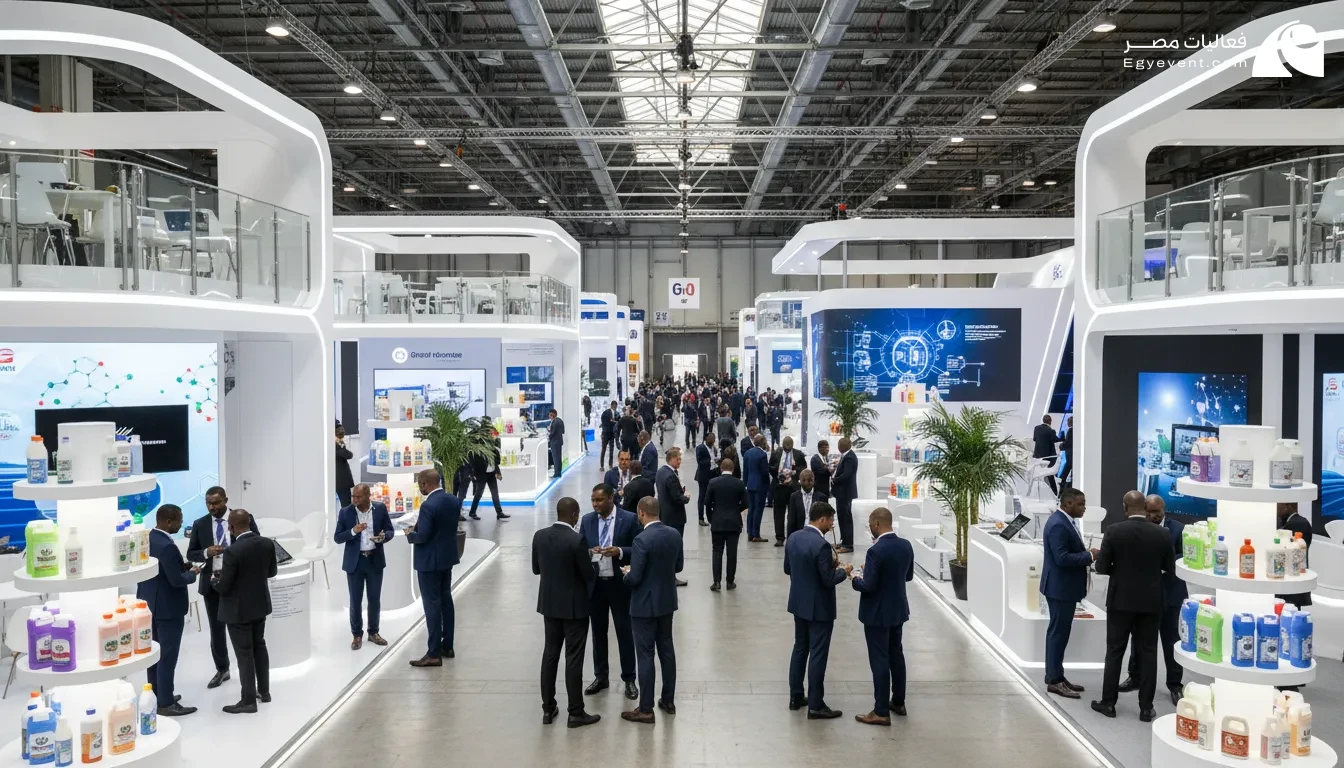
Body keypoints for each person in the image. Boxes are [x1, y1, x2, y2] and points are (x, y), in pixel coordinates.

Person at [1091, 490, 1176, 722]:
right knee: (1148, 652)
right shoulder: (1163, 533)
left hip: (1120, 601)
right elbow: (1169, 567)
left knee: (1115, 651)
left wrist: (1119, 570)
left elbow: (1101, 567)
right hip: (1151, 602)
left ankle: (1108, 703)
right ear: (1145, 508)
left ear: (1124, 507)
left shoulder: (1113, 531)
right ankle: (1146, 708)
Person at [533, 497, 601, 728]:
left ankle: (548, 708)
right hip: (575, 609)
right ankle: (575, 712)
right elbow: (587, 575)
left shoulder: (540, 536)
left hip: (549, 606)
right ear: (574, 515)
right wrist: (594, 564)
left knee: (550, 654)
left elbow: (536, 569)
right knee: (573, 659)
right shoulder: (577, 539)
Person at [186, 486, 258, 690]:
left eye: (216, 503)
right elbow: (191, 553)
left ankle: (249, 676)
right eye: (208, 503)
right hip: (212, 584)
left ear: (226, 500)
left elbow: (254, 544)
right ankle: (222, 669)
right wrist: (206, 553)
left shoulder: (242, 518)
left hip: (239, 584)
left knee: (244, 631)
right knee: (217, 631)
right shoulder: (200, 524)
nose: (212, 507)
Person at [785, 501, 850, 719]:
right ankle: (815, 704)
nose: (832, 525)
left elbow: (788, 568)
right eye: (831, 521)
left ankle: (796, 696)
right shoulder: (822, 546)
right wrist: (844, 572)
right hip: (820, 608)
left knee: (800, 648)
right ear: (822, 519)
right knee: (818, 654)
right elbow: (828, 580)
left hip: (798, 603)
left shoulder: (793, 538)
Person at [1118, 494, 1185, 705]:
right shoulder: (1139, 528)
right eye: (1149, 511)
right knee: (1139, 638)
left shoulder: (1178, 529)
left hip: (1171, 593)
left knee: (1171, 640)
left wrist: (1161, 564)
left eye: (1157, 512)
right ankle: (1135, 677)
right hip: (1143, 594)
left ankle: (1175, 685)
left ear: (1164, 510)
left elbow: (1184, 557)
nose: (1153, 516)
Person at [621, 497, 684, 724]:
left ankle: (646, 709)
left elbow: (635, 578)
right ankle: (668, 700)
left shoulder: (641, 540)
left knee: (645, 655)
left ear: (641, 513)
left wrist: (626, 573)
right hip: (667, 602)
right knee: (666, 650)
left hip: (644, 606)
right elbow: (678, 566)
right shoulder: (674, 535)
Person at [851, 508, 914, 725]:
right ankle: (898, 701)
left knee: (879, 659)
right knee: (896, 655)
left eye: (870, 524)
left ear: (876, 523)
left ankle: (880, 711)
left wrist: (855, 578)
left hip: (877, 614)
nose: (870, 528)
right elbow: (907, 576)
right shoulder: (905, 545)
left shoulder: (875, 551)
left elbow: (868, 585)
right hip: (898, 610)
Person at [579, 484, 640, 701]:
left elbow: (639, 549)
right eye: (593, 500)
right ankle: (601, 676)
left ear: (611, 499)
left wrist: (619, 551)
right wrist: (589, 552)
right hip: (596, 586)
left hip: (620, 586)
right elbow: (580, 550)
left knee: (625, 632)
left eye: (599, 500)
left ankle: (629, 678)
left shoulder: (629, 519)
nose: (595, 504)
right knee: (598, 633)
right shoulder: (587, 520)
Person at [214, 509, 278, 714]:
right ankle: (264, 692)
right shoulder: (267, 543)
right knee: (259, 646)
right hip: (260, 605)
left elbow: (225, 586)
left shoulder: (232, 551)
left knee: (244, 654)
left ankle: (248, 700)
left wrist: (215, 581)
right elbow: (271, 572)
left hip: (238, 610)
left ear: (231, 527)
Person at [137, 504, 198, 717]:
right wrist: (193, 573)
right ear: (169, 521)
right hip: (168, 608)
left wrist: (182, 567)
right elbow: (176, 581)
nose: (181, 524)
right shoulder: (167, 546)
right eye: (179, 520)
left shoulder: (148, 538)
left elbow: (163, 570)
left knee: (154, 654)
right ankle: (166, 702)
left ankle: (156, 694)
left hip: (150, 605)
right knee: (167, 656)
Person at [1040, 487, 1095, 699]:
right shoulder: (1058, 525)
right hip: (1060, 589)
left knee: (1061, 633)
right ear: (1068, 503)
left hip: (1064, 588)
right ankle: (1054, 680)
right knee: (1058, 634)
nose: (1084, 508)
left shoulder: (1066, 521)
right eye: (1081, 504)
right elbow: (1062, 558)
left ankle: (1058, 676)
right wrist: (1089, 556)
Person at [408, 469, 461, 666]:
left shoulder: (428, 506)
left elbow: (423, 536)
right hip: (447, 558)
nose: (419, 488)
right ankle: (448, 646)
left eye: (419, 484)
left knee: (431, 605)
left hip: (429, 562)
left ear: (425, 484)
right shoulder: (452, 500)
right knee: (446, 601)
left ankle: (433, 654)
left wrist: (410, 534)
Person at [334, 483, 396, 650]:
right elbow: (337, 538)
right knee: (355, 601)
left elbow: (390, 531)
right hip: (355, 562)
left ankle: (373, 632)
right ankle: (357, 635)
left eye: (358, 496)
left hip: (375, 560)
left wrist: (383, 537)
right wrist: (353, 531)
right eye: (353, 496)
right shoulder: (345, 512)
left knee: (374, 600)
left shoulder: (380, 509)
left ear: (368, 496)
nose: (354, 499)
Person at [706, 458, 748, 591]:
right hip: (734, 523)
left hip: (717, 522)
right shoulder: (739, 484)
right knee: (732, 553)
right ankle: (730, 581)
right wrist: (736, 510)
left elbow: (707, 502)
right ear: (733, 469)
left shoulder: (713, 482)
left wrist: (711, 518)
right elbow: (746, 503)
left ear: (721, 468)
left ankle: (716, 582)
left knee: (717, 552)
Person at [656, 447, 690, 587]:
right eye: (678, 459)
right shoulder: (670, 476)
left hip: (665, 514)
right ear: (671, 459)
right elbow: (677, 498)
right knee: (674, 547)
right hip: (675, 517)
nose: (680, 462)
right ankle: (672, 576)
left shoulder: (661, 472)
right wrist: (686, 497)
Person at [770, 436, 806, 547]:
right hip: (779, 487)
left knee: (793, 513)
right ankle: (779, 538)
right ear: (782, 444)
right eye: (786, 446)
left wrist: (793, 473)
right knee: (778, 513)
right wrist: (779, 471)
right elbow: (770, 467)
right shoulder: (776, 454)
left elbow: (803, 468)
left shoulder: (798, 454)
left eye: (789, 446)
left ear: (793, 445)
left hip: (793, 487)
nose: (787, 448)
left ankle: (792, 536)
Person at [1276, 501, 1313, 609]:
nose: (1277, 510)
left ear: (1287, 506)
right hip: (1294, 574)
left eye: (1279, 506)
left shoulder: (1297, 523)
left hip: (1293, 576)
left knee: (1291, 608)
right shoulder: (1299, 521)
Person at [468, 437, 510, 521]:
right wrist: (473, 474)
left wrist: (498, 472)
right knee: (478, 494)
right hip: (481, 475)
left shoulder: (493, 450)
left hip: (491, 474)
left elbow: (497, 462)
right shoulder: (478, 451)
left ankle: (499, 513)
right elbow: (473, 464)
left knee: (495, 494)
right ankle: (472, 512)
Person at [830, 438, 858, 553]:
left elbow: (846, 475)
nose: (838, 447)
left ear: (843, 446)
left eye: (839, 445)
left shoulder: (849, 457)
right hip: (842, 493)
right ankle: (844, 541)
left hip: (845, 492)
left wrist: (834, 480)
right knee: (841, 517)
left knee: (846, 518)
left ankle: (848, 544)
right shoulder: (846, 456)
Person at [744, 434, 770, 543]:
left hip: (750, 484)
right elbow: (765, 472)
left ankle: (750, 532)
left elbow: (745, 471)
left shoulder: (747, 453)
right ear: (763, 442)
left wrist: (745, 483)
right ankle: (756, 534)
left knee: (751, 509)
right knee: (758, 510)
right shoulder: (762, 455)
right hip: (760, 486)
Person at [786, 469, 826, 540]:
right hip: (799, 534)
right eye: (803, 480)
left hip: (816, 535)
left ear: (814, 480)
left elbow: (824, 521)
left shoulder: (821, 497)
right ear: (799, 481)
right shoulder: (794, 497)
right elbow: (791, 519)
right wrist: (789, 539)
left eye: (810, 480)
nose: (807, 483)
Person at [1033, 414, 1060, 496]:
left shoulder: (1036, 428)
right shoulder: (1051, 431)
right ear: (1050, 421)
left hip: (1037, 457)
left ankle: (1041, 493)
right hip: (1049, 457)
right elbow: (1056, 440)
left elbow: (1034, 439)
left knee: (1039, 474)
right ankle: (1054, 493)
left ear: (1043, 420)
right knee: (1050, 475)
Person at [694, 431, 716, 527]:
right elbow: (700, 462)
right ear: (706, 439)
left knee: (711, 497)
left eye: (713, 439)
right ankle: (701, 518)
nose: (712, 441)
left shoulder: (714, 448)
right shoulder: (700, 448)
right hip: (703, 476)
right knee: (702, 497)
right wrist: (711, 461)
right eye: (711, 439)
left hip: (712, 474)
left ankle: (710, 517)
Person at [335, 422, 354, 508]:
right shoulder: (336, 446)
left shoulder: (338, 445)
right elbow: (349, 455)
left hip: (341, 481)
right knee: (346, 505)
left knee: (346, 504)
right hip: (341, 481)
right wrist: (341, 445)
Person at [600, 400, 619, 471]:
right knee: (604, 449)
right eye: (614, 406)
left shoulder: (616, 413)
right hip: (606, 433)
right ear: (612, 406)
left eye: (615, 407)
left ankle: (610, 465)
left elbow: (618, 421)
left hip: (612, 434)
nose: (615, 408)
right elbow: (604, 421)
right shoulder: (606, 412)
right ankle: (602, 465)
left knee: (611, 449)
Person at [548, 408, 566, 479]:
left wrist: (549, 434)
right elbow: (563, 431)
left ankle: (556, 474)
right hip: (559, 441)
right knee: (558, 458)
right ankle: (559, 473)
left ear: (553, 414)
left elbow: (552, 433)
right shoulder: (560, 420)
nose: (549, 416)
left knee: (556, 459)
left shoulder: (554, 422)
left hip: (555, 442)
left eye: (550, 414)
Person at [1058, 416, 1074, 490]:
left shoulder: (1070, 430)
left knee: (1068, 465)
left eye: (1068, 422)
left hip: (1070, 452)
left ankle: (1062, 481)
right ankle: (1063, 480)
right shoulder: (1075, 430)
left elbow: (1068, 443)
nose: (1067, 423)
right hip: (1072, 452)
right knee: (1069, 466)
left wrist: (1061, 446)